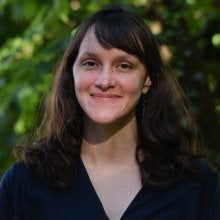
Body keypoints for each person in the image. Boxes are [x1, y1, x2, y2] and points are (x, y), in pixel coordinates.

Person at [0, 6, 219, 220]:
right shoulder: (24, 184)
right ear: (72, 74)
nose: (104, 81)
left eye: (124, 66)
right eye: (90, 63)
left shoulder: (197, 186)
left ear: (147, 80)